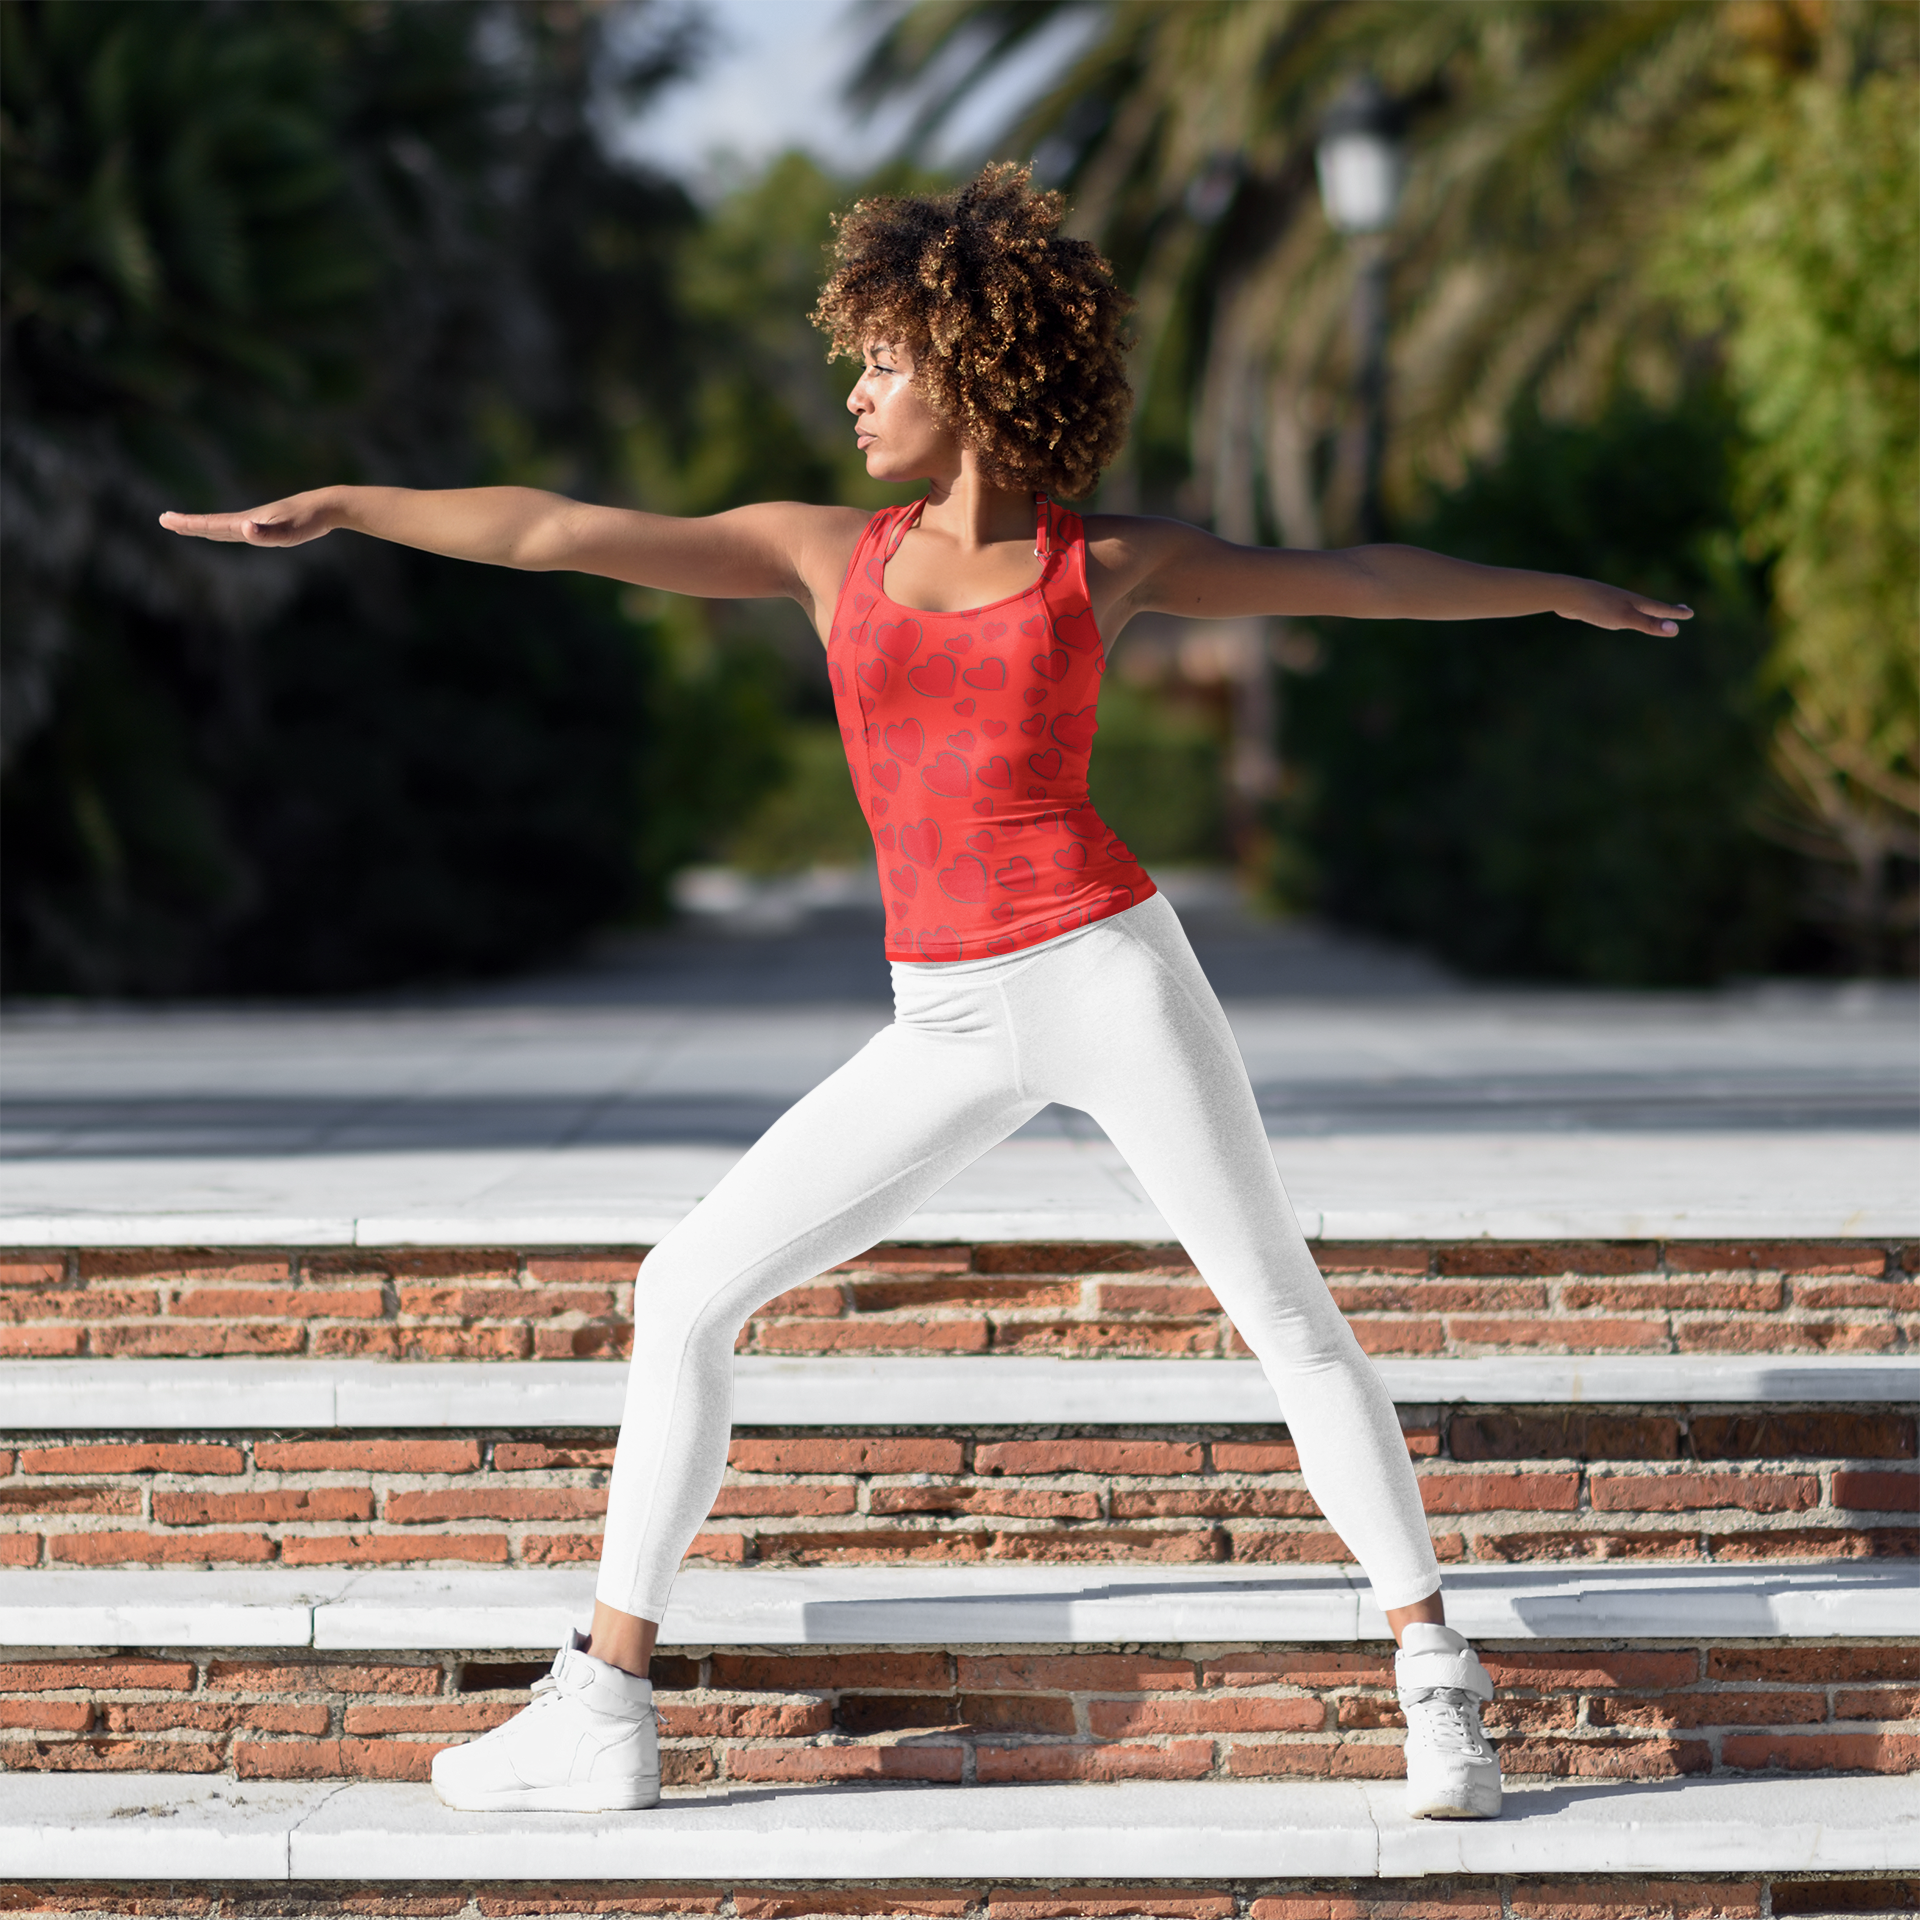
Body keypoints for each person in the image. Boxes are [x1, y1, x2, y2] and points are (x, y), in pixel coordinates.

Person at [163, 163, 1690, 1822]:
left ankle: (1439, 1683)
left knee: (1284, 1317)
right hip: (944, 1016)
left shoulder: (1106, 563)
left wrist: (1557, 589)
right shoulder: (823, 554)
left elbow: (1365, 578)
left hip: (1107, 967)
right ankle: (602, 1704)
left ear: (971, 365)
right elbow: (550, 528)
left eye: (883, 358)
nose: (855, 388)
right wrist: (353, 504)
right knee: (684, 1290)